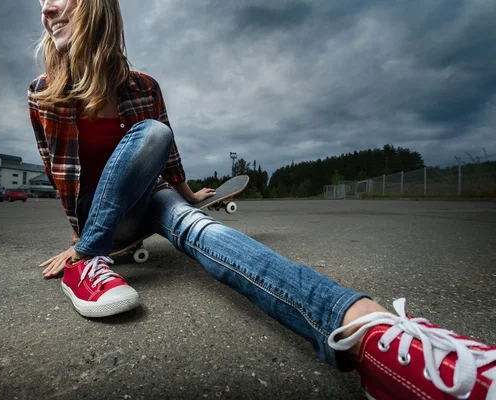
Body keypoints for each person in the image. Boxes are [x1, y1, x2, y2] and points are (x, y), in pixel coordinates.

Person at [28, 1, 496, 398]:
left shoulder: (143, 87)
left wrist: (190, 196)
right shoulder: (42, 94)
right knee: (151, 133)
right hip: (98, 221)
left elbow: (165, 158)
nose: (47, 7)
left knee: (190, 210)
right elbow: (60, 174)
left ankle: (371, 335)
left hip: (150, 200)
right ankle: (87, 264)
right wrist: (82, 239)